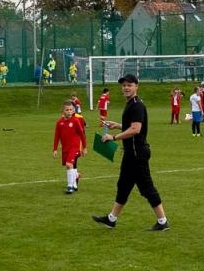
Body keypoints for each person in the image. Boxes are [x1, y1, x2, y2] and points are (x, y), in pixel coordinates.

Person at [92, 74, 171, 231]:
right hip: (131, 153)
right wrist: (118, 125)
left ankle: (162, 221)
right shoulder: (131, 104)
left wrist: (113, 137)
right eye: (124, 85)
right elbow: (132, 125)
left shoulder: (136, 105)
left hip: (137, 154)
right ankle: (111, 219)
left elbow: (136, 129)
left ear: (136, 86)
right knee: (123, 185)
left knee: (146, 187)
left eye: (129, 85)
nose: (126, 88)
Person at [53, 99, 87, 194]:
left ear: (73, 110)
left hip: (75, 147)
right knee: (69, 166)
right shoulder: (59, 122)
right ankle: (75, 176)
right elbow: (57, 136)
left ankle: (70, 186)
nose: (69, 112)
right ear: (63, 111)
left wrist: (84, 147)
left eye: (71, 110)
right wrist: (55, 149)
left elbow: (82, 134)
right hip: (65, 148)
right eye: (67, 110)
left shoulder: (76, 121)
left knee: (69, 164)